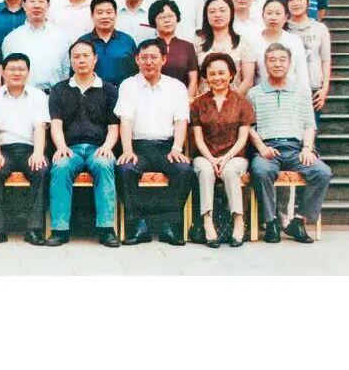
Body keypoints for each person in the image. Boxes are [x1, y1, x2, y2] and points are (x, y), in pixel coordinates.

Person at [248, 43, 332, 243]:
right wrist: (262, 147)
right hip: (268, 148)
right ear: (265, 64)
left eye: (282, 60)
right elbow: (249, 127)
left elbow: (309, 125)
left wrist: (307, 148)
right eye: (272, 60)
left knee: (322, 172)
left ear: (289, 63)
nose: (277, 64)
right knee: (260, 170)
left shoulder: (301, 92)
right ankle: (271, 222)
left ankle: (299, 221)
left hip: (296, 149)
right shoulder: (254, 93)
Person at [114, 39, 193, 245]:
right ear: (137, 60)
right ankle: (137, 226)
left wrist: (177, 148)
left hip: (167, 147)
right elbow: (125, 120)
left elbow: (181, 120)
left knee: (184, 170)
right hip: (138, 147)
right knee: (125, 169)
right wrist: (127, 150)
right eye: (144, 57)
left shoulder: (176, 87)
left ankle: (169, 225)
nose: (148, 62)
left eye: (153, 57)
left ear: (164, 59)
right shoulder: (128, 85)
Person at [47, 40, 120, 247]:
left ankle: (106, 229)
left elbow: (113, 126)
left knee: (104, 165)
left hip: (99, 148)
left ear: (95, 59)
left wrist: (107, 147)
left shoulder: (109, 90)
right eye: (76, 57)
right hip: (71, 149)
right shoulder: (59, 90)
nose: (81, 60)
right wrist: (61, 147)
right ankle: (59, 229)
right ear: (70, 61)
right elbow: (56, 125)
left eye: (85, 56)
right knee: (60, 166)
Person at [0, 53, 50, 246]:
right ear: (3, 72)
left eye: (21, 69)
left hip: (30, 149)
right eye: (12, 69)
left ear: (28, 72)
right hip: (4, 150)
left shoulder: (38, 96)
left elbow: (40, 127)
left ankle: (34, 229)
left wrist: (38, 153)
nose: (16, 73)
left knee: (42, 169)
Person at [190, 53, 255, 247]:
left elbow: (243, 138)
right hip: (205, 155)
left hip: (234, 155)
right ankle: (208, 222)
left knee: (230, 171)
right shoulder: (198, 103)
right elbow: (198, 138)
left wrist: (226, 158)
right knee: (205, 170)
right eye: (212, 74)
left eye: (221, 73)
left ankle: (238, 221)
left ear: (231, 74)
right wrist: (211, 159)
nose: (217, 77)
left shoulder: (242, 102)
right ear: (206, 77)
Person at [1, 0, 70, 92]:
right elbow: (7, 74)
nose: (36, 5)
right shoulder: (11, 39)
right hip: (22, 96)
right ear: (24, 5)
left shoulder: (61, 37)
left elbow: (66, 71)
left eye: (41, 1)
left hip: (54, 96)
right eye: (32, 1)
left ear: (48, 5)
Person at [286, 0, 331, 120]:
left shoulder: (320, 29)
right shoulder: (283, 29)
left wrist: (324, 89)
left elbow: (325, 60)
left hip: (314, 89)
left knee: (311, 131)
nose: (296, 3)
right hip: (289, 90)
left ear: (308, 1)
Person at [195, 0, 256, 95]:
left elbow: (248, 81)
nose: (218, 15)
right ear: (206, 16)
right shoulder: (197, 43)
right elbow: (193, 79)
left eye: (222, 10)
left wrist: (230, 101)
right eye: (212, 11)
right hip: (204, 101)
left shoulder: (243, 44)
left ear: (231, 13)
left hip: (235, 100)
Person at [250, 0, 311, 93]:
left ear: (286, 17)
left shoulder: (294, 41)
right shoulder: (253, 42)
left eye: (278, 13)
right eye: (269, 13)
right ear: (262, 16)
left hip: (291, 95)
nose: (273, 17)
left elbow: (302, 75)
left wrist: (305, 97)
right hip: (262, 95)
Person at [76, 0, 137, 86]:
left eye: (109, 12)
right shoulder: (83, 42)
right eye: (100, 13)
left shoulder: (127, 41)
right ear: (92, 15)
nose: (104, 16)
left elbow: (136, 72)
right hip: (91, 92)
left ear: (116, 14)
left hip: (122, 92)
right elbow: (75, 72)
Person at [148, 0, 199, 97]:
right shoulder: (148, 47)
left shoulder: (187, 46)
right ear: (154, 21)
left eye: (170, 16)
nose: (167, 20)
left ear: (177, 18)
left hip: (182, 99)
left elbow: (193, 81)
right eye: (161, 17)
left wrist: (185, 102)